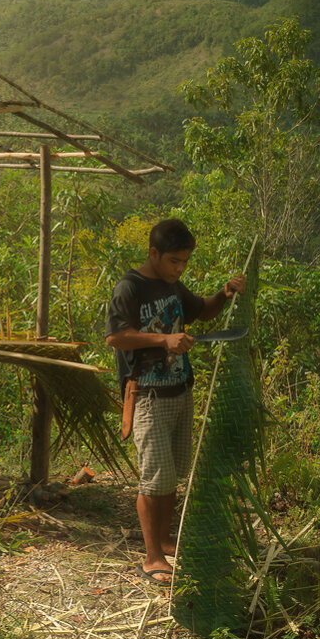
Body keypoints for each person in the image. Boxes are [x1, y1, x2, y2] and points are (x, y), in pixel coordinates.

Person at [105, 218, 245, 584]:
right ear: (154, 253)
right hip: (148, 395)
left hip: (180, 390)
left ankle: (166, 539)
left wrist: (225, 293)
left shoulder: (173, 286)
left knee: (172, 475)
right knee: (154, 479)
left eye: (185, 262)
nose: (180, 268)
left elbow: (202, 310)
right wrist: (163, 341)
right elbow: (117, 338)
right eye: (174, 261)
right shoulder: (130, 287)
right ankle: (152, 557)